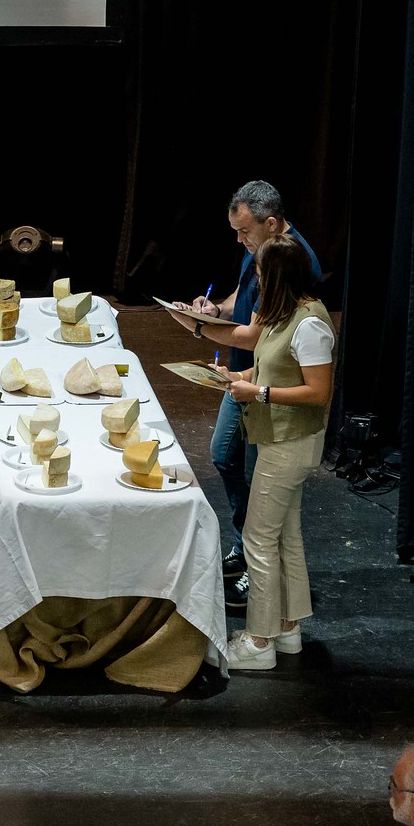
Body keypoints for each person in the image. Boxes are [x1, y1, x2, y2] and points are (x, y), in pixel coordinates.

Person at [167, 180, 324, 601]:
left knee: (262, 484)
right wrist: (213, 310)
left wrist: (199, 328)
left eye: (244, 232)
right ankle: (245, 545)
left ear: (271, 224)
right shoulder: (260, 252)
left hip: (265, 391)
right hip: (246, 379)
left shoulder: (292, 264)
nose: (239, 241)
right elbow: (244, 298)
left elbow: (258, 335)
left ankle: (258, 569)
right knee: (223, 455)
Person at [212, 236, 336, 671]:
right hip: (277, 441)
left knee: (259, 540)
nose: (258, 284)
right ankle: (287, 629)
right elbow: (269, 364)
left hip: (291, 445)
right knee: (284, 536)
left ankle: (258, 641)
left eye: (262, 275)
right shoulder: (284, 317)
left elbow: (318, 392)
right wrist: (238, 375)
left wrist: (258, 392)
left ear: (278, 276)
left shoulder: (311, 324)